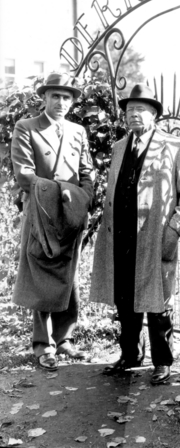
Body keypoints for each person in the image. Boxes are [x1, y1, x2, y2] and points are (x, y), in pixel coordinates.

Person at [90, 83, 180, 384]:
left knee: (159, 295)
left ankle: (162, 361)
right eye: (129, 110)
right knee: (125, 296)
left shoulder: (174, 146)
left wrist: (175, 229)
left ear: (154, 115)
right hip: (121, 234)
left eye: (140, 109)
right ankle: (130, 356)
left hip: (155, 234)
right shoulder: (120, 147)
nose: (133, 115)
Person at [11, 72, 95, 371]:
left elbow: (87, 171)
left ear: (72, 102)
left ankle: (65, 338)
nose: (61, 102)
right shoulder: (27, 127)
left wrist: (82, 199)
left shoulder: (77, 131)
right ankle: (42, 344)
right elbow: (24, 173)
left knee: (68, 273)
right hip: (41, 211)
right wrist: (57, 194)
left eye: (67, 97)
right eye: (55, 96)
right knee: (41, 273)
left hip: (71, 213)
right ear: (44, 98)